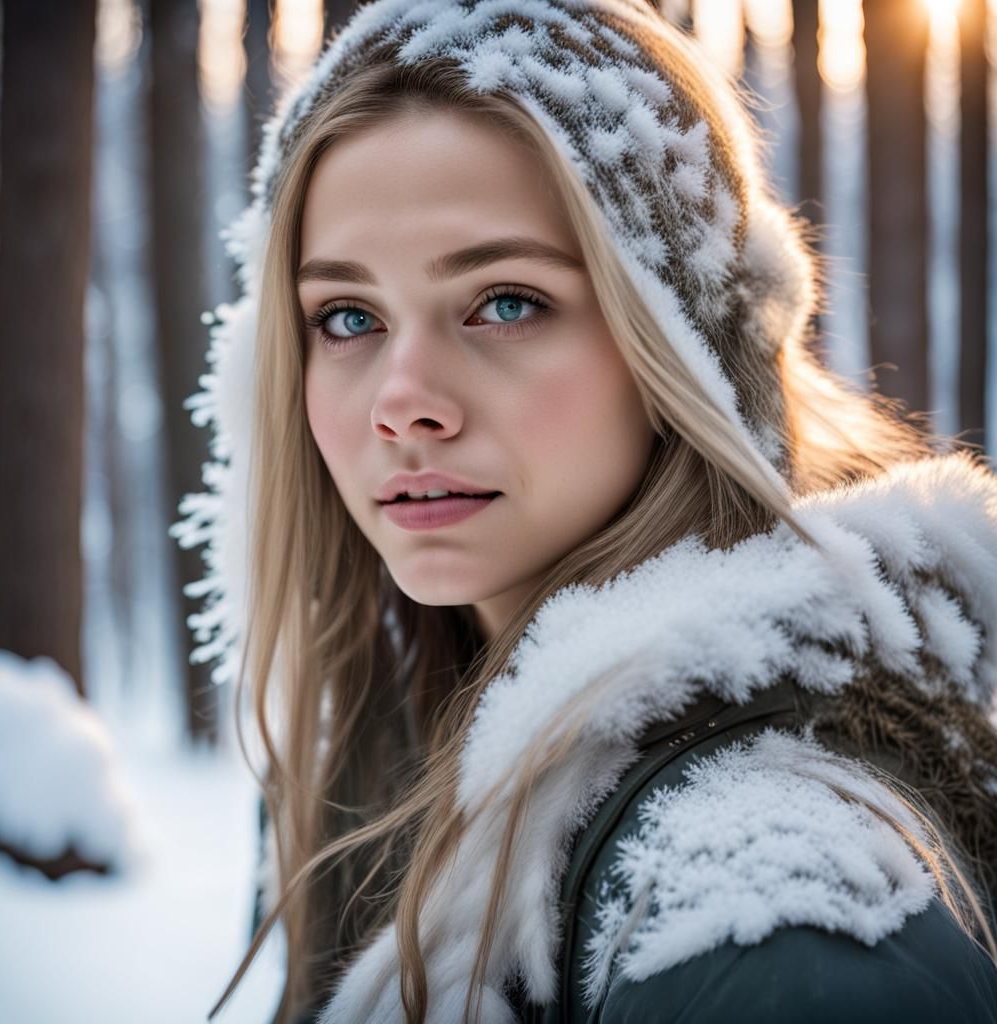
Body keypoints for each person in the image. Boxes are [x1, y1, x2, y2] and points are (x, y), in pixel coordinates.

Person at [171, 1, 997, 1021]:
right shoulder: (374, 754)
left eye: (505, 301)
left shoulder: (768, 913)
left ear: (676, 345)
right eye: (347, 317)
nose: (400, 400)